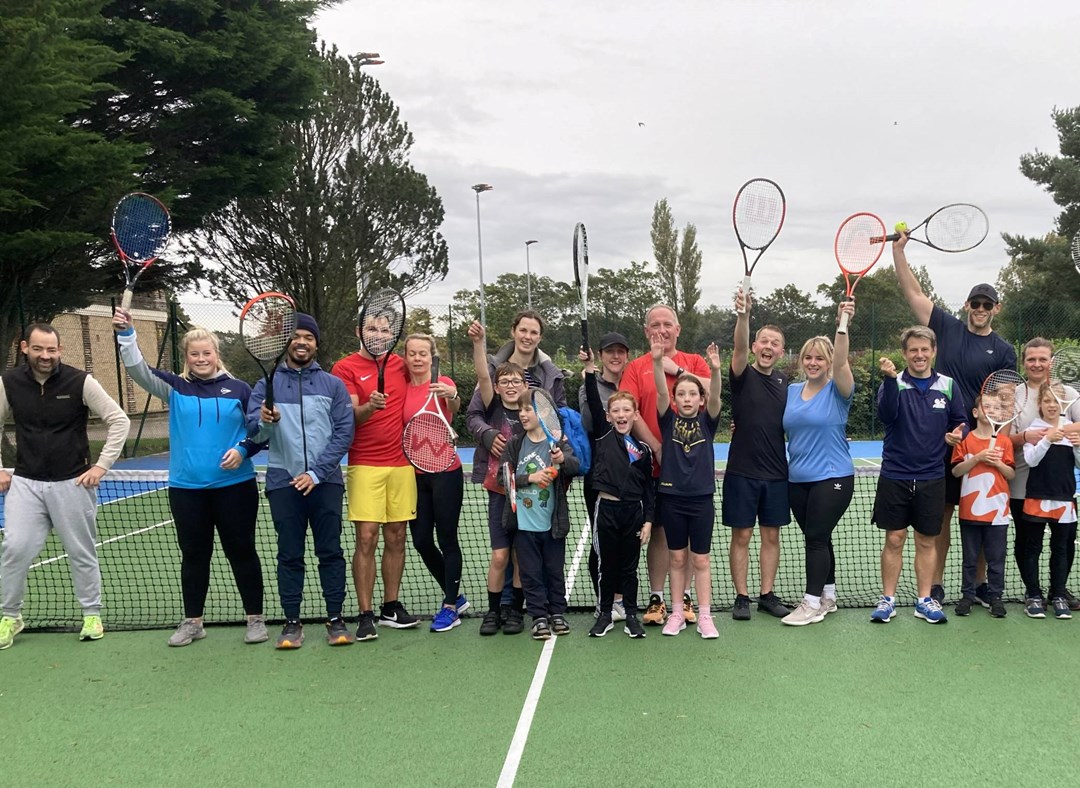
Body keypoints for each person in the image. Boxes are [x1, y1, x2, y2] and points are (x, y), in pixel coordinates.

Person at [113, 309, 267, 647]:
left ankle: (255, 619)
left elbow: (261, 431)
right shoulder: (174, 387)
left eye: (206, 353)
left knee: (241, 550)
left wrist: (243, 451)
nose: (201, 359)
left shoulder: (240, 389)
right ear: (187, 357)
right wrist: (127, 335)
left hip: (235, 488)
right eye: (194, 354)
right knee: (194, 555)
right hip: (187, 491)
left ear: (216, 355)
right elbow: (137, 368)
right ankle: (193, 621)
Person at [892, 234, 1017, 603]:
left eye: (987, 304)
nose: (980, 308)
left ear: (996, 307)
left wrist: (997, 442)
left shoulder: (1005, 350)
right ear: (966, 305)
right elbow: (914, 295)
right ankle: (937, 584)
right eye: (975, 303)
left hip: (982, 444)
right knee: (941, 517)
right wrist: (899, 252)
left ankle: (978, 585)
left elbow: (1005, 400)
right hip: (942, 443)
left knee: (981, 516)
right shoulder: (946, 328)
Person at [0, 324, 129, 650]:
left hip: (73, 483)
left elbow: (119, 420)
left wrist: (101, 466)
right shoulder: (8, 383)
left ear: (60, 350)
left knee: (81, 553)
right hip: (26, 484)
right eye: (40, 349)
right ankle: (10, 616)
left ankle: (91, 614)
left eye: (52, 350)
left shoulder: (80, 381)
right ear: (24, 347)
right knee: (14, 548)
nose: (46, 356)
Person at [248, 314, 354, 649]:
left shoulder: (332, 385)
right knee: (289, 555)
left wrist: (317, 472)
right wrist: (266, 422)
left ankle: (335, 620)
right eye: (295, 336)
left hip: (326, 483)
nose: (302, 342)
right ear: (286, 343)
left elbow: (343, 433)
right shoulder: (265, 386)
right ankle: (291, 624)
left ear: (316, 344)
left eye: (308, 336)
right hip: (283, 482)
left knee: (331, 552)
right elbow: (254, 432)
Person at [619, 304, 709, 626]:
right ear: (646, 331)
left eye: (667, 324)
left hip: (688, 474)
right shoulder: (635, 368)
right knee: (657, 531)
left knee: (682, 538)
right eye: (654, 323)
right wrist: (658, 448)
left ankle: (683, 599)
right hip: (649, 465)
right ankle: (657, 598)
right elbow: (631, 410)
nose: (661, 329)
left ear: (678, 328)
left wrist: (678, 371)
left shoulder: (694, 363)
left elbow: (711, 394)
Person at [870, 326, 966, 625]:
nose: (919, 355)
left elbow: (960, 420)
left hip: (932, 476)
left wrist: (957, 434)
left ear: (933, 351)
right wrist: (888, 379)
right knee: (895, 539)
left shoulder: (948, 386)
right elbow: (886, 415)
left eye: (925, 349)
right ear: (905, 353)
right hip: (895, 475)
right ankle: (888, 599)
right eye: (913, 350)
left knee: (927, 541)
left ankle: (924, 599)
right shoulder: (893, 383)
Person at [333, 305, 419, 641]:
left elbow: (429, 376)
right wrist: (370, 406)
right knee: (367, 535)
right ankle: (365, 613)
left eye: (385, 330)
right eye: (373, 329)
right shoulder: (344, 368)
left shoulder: (401, 364)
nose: (379, 335)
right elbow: (349, 418)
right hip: (365, 463)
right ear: (359, 332)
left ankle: (390, 607)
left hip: (401, 463)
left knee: (397, 535)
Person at [780, 303, 856, 627]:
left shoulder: (839, 390)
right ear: (801, 361)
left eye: (820, 358)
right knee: (820, 538)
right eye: (808, 357)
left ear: (828, 363)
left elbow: (841, 360)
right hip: (797, 478)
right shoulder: (792, 391)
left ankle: (810, 604)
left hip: (833, 476)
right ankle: (828, 595)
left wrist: (843, 322)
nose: (813, 362)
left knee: (814, 537)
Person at [724, 289, 791, 620]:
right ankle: (741, 597)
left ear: (780, 351)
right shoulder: (741, 374)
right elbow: (736, 346)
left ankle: (767, 594)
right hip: (741, 472)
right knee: (742, 535)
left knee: (771, 536)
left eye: (774, 343)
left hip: (777, 473)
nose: (767, 347)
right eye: (763, 341)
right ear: (754, 347)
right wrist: (744, 315)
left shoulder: (784, 381)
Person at [653, 337, 723, 639]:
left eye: (692, 394)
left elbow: (718, 397)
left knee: (701, 559)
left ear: (700, 399)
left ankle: (705, 616)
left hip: (701, 500)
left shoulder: (708, 422)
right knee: (677, 559)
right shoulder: (668, 420)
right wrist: (657, 362)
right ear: (675, 398)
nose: (686, 398)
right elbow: (658, 390)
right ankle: (677, 614)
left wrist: (716, 371)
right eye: (681, 393)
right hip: (671, 499)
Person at [498, 390, 580, 640]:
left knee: (554, 572)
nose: (522, 414)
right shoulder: (515, 444)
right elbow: (503, 478)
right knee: (530, 574)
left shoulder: (557, 442)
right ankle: (538, 617)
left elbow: (576, 466)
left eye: (528, 409)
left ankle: (557, 613)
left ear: (543, 413)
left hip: (552, 525)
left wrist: (562, 459)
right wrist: (530, 478)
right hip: (524, 526)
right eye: (520, 410)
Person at [582, 355, 654, 639]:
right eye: (616, 411)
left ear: (635, 415)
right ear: (609, 416)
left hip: (633, 514)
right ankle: (604, 614)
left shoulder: (643, 450)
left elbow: (649, 489)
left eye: (627, 410)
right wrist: (589, 372)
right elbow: (591, 397)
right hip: (606, 512)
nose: (622, 415)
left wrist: (648, 520)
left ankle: (632, 616)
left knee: (630, 568)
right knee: (606, 566)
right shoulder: (602, 435)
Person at [401, 333, 468, 632]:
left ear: (432, 356)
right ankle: (455, 593)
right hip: (415, 475)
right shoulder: (402, 388)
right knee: (421, 541)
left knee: (447, 538)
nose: (417, 358)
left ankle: (450, 605)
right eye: (412, 353)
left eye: (423, 353)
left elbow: (455, 408)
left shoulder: (443, 382)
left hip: (446, 472)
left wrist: (450, 395)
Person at [1009, 339, 1080, 614]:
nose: (1036, 364)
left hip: (1059, 486)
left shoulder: (1069, 393)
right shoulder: (1013, 394)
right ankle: (1033, 592)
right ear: (1023, 362)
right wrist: (1027, 436)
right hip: (1022, 483)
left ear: (1051, 362)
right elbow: (1004, 439)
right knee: (1027, 542)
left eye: (1042, 359)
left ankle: (1058, 591)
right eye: (1031, 359)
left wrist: (1069, 433)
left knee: (1064, 540)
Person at [467, 321, 528, 636]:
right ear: (498, 385)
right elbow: (481, 375)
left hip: (526, 494)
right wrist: (480, 344)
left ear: (524, 385)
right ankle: (493, 612)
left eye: (516, 380)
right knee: (500, 555)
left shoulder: (531, 411)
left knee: (519, 556)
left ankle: (514, 611)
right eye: (505, 380)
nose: (511, 384)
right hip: (498, 491)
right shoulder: (492, 409)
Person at [577, 332, 630, 620]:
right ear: (600, 354)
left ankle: (622, 599)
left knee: (626, 541)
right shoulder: (590, 386)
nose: (615, 356)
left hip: (630, 476)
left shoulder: (632, 383)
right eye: (610, 351)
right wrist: (587, 372)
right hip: (599, 475)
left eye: (620, 351)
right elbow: (590, 420)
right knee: (602, 542)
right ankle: (604, 600)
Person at [951, 395, 1014, 618]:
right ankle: (967, 596)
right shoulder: (966, 441)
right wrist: (978, 457)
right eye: (986, 406)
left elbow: (1010, 473)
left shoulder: (1004, 443)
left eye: (996, 407)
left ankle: (996, 597)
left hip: (997, 512)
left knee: (996, 558)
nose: (991, 410)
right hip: (970, 510)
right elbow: (956, 471)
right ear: (976, 413)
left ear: (1000, 414)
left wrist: (996, 462)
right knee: (970, 558)